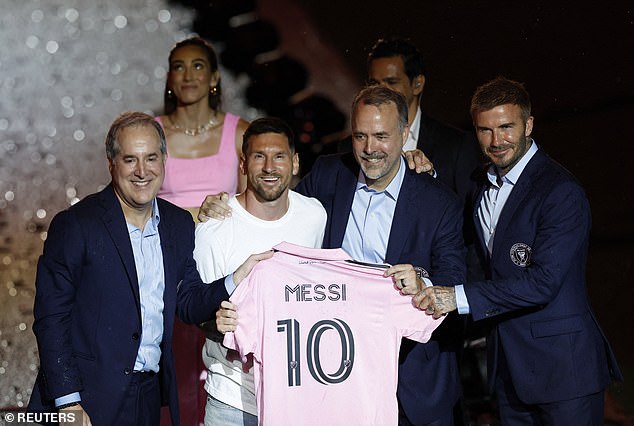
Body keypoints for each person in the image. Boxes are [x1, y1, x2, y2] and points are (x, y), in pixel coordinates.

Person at [203, 86, 467, 426]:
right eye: (360, 136)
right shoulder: (330, 174)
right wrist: (225, 205)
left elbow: (454, 281)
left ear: (405, 135)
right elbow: (277, 210)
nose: (370, 149)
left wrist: (421, 282)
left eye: (382, 136)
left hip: (412, 380)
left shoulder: (439, 202)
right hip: (333, 383)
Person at [27, 112, 265, 425]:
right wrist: (69, 402)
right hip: (85, 397)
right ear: (111, 162)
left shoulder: (178, 224)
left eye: (151, 158)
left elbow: (189, 302)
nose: (142, 171)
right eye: (130, 159)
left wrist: (235, 279)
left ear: (165, 159)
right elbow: (51, 319)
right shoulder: (75, 225)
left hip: (148, 397)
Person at [416, 76, 623, 424]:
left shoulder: (560, 192)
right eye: (485, 130)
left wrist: (457, 298)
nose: (496, 141)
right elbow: (458, 233)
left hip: (564, 371)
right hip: (509, 371)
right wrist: (428, 174)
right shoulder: (480, 185)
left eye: (506, 127)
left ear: (528, 124)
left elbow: (543, 282)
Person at [192, 117, 327, 426]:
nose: (269, 166)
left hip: (298, 401)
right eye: (258, 156)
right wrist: (216, 321)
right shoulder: (214, 230)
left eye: (278, 156)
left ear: (294, 163)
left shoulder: (315, 216)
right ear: (243, 164)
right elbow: (199, 309)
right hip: (232, 401)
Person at [156, 36, 250, 425]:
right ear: (169, 78)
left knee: (222, 374)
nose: (188, 74)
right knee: (173, 374)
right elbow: (130, 201)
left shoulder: (241, 132)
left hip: (223, 270)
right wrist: (196, 212)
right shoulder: (153, 134)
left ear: (214, 77)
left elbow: (258, 201)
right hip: (166, 269)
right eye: (179, 66)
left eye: (197, 66)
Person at [339, 37, 482, 203]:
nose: (381, 90)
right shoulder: (348, 148)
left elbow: (464, 211)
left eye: (391, 82)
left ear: (417, 84)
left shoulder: (456, 146)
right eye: (374, 83)